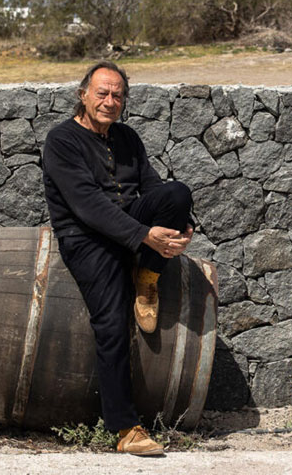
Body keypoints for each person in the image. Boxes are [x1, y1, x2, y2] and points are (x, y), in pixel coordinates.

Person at [42, 61, 193, 457]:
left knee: (177, 193)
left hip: (130, 230)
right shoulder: (62, 141)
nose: (110, 101)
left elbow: (152, 186)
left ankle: (147, 278)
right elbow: (87, 205)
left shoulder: (127, 137)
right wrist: (145, 235)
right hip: (88, 240)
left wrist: (181, 226)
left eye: (117, 95)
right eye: (102, 93)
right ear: (83, 94)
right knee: (110, 322)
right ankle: (126, 428)